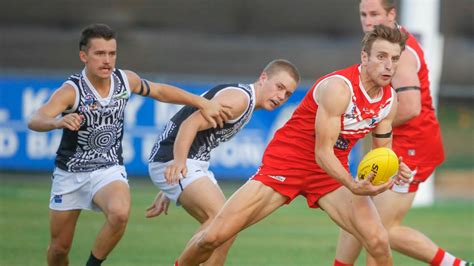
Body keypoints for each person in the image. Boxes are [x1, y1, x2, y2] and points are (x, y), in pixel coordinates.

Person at [172, 24, 413, 266]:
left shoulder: (389, 101)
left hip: (328, 172)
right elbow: (322, 152)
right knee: (214, 237)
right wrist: (352, 184)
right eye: (381, 56)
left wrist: (394, 167)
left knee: (378, 241)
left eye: (394, 58)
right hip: (288, 162)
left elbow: (382, 153)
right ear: (364, 57)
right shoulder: (339, 89)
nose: (388, 65)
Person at [27, 23, 231, 266]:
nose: (107, 60)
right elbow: (35, 119)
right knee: (59, 249)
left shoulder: (124, 81)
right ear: (84, 56)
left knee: (120, 213)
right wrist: (57, 122)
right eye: (99, 53)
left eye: (112, 53)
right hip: (70, 174)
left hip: (108, 169)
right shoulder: (72, 91)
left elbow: (160, 91)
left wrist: (200, 102)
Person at [334, 1, 472, 265]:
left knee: (379, 232)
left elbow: (409, 107)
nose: (368, 20)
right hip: (393, 143)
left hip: (413, 146)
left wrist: (363, 122)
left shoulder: (402, 52)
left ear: (391, 14)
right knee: (357, 210)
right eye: (363, 14)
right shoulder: (379, 45)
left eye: (375, 14)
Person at [145, 59, 301, 266]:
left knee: (226, 229)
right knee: (221, 221)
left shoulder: (247, 102)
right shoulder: (239, 100)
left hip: (189, 162)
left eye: (288, 94)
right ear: (263, 78)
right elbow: (188, 124)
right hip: (176, 159)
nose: (281, 96)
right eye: (279, 87)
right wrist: (177, 164)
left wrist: (170, 187)